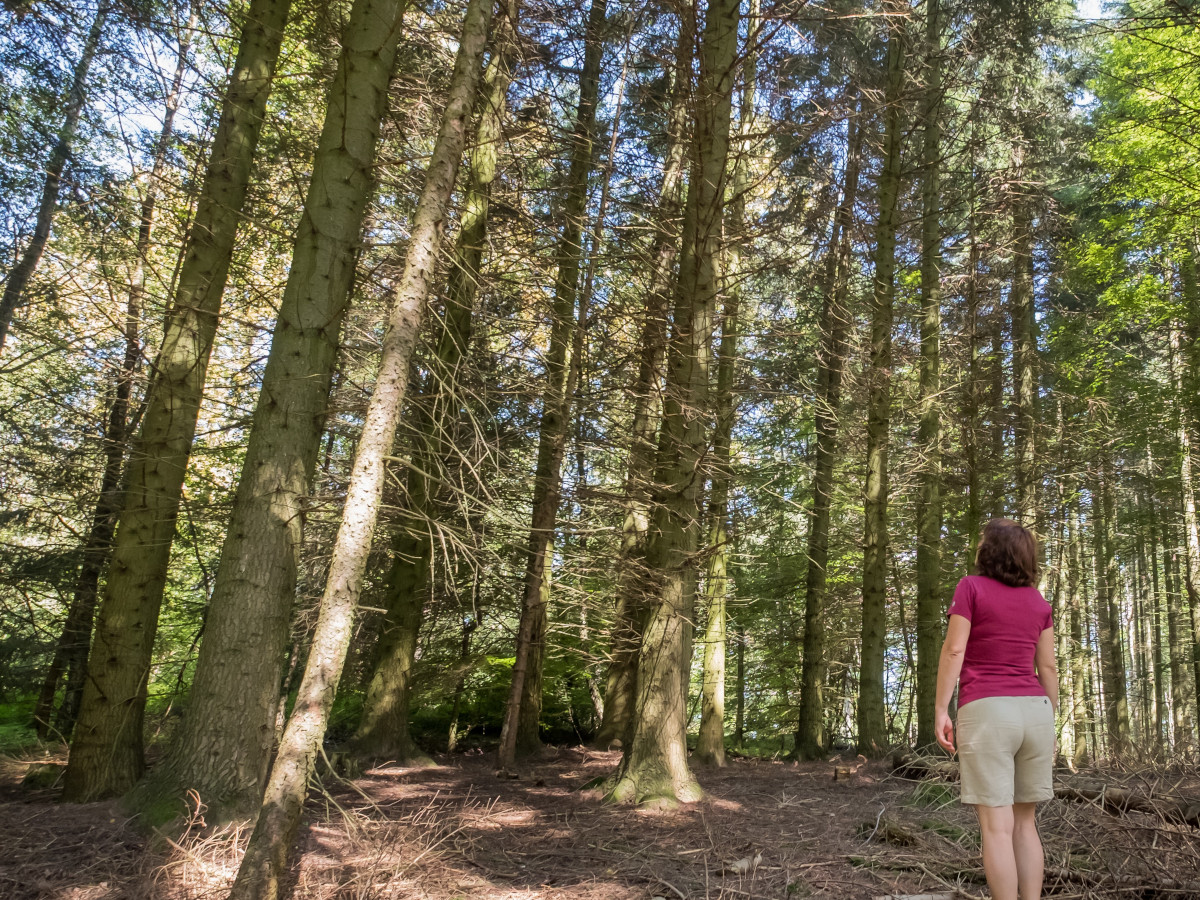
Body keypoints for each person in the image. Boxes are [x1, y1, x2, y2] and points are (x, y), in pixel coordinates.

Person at [935, 518, 1057, 900]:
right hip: (1036, 711)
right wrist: (1050, 716)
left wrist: (941, 707)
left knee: (996, 828)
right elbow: (1048, 667)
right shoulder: (1038, 602)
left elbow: (955, 649)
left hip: (988, 712)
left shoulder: (971, 588)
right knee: (1025, 824)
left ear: (988, 551)